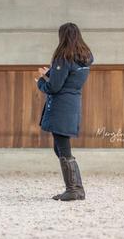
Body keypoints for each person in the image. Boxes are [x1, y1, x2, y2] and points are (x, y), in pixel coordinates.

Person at [36, 22, 93, 201]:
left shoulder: (63, 57)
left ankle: (74, 189)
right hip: (73, 103)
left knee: (62, 146)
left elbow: (54, 87)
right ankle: (75, 187)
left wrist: (40, 80)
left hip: (61, 106)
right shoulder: (84, 57)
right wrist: (51, 72)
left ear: (63, 37)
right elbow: (68, 78)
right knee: (60, 146)